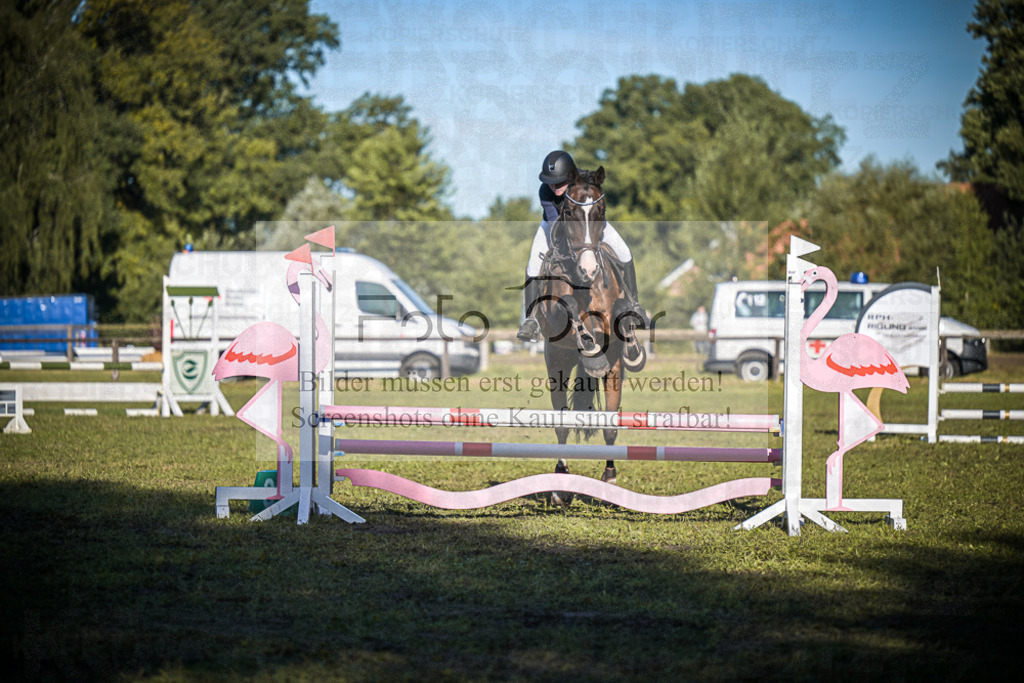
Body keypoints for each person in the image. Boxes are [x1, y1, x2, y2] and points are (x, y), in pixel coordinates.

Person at [517, 150, 647, 345]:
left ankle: (634, 304)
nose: (554, 187)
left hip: (590, 224)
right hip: (556, 228)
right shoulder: (545, 191)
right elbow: (555, 223)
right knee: (533, 265)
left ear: (570, 176)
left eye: (560, 182)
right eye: (551, 182)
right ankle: (532, 319)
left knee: (624, 252)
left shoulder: (585, 181)